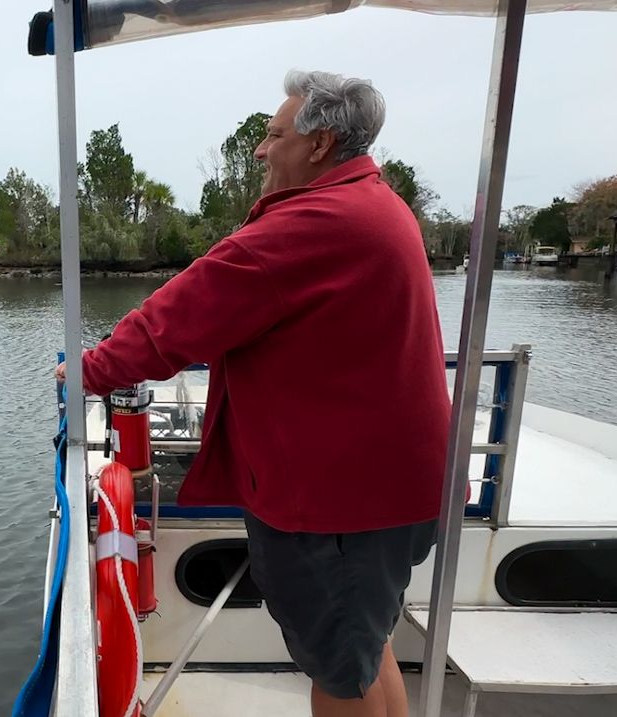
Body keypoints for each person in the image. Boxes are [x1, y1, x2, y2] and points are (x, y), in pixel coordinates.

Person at [56, 70, 450, 717]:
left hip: (342, 507)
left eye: (273, 134)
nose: (261, 149)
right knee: (363, 644)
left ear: (320, 143)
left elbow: (181, 314)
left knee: (339, 669)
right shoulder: (373, 203)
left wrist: (89, 369)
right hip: (388, 494)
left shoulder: (317, 222)